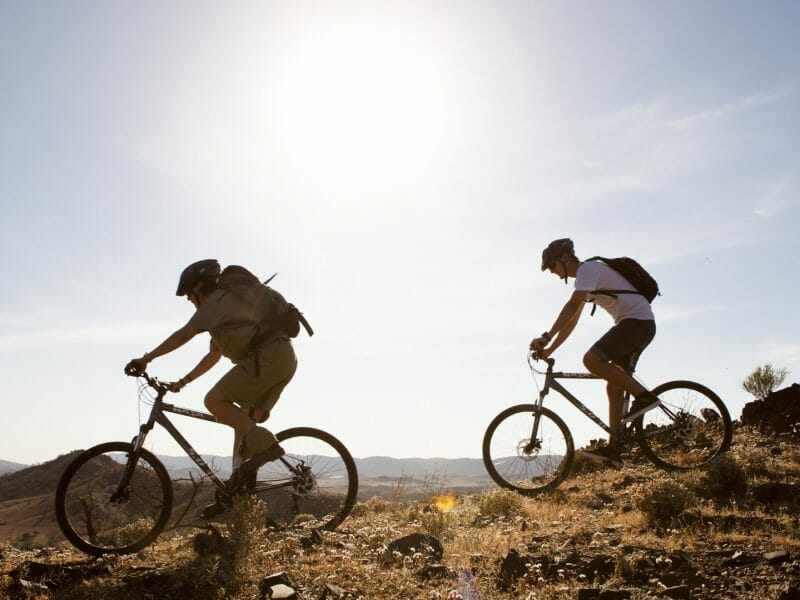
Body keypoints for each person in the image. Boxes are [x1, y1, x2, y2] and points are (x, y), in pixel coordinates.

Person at [124, 259, 298, 516]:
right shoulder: (227, 308)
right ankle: (240, 491)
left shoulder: (217, 300)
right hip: (281, 359)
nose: (189, 301)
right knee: (243, 425)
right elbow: (213, 356)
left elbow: (184, 334)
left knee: (214, 401)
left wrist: (146, 359)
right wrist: (182, 383)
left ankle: (269, 447)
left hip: (269, 358)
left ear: (199, 287)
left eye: (188, 295)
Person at [529, 238, 659, 465]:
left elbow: (570, 306)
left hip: (636, 323)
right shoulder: (586, 280)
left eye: (552, 266)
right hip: (636, 324)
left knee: (591, 360)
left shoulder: (587, 270)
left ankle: (645, 397)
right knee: (614, 385)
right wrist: (550, 349)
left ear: (564, 258)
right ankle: (614, 450)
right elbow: (572, 322)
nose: (552, 272)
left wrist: (547, 335)